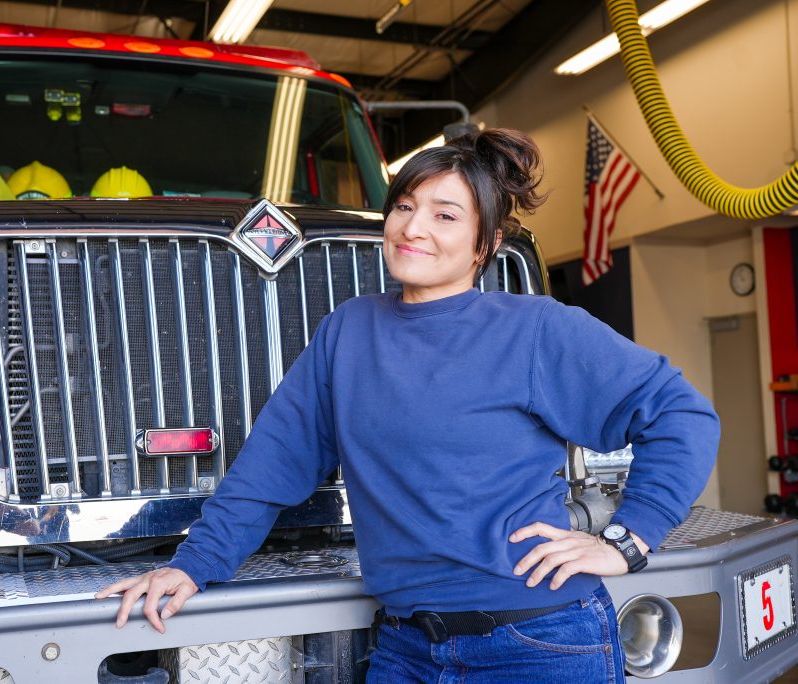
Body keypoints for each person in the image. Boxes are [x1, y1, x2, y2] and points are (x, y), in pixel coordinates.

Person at [95, 128, 719, 683]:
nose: (413, 227)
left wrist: (627, 541)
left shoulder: (533, 329)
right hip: (407, 646)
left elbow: (679, 413)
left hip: (537, 641)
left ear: (486, 243)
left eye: (445, 216)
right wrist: (195, 564)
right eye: (404, 206)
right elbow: (274, 461)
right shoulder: (349, 332)